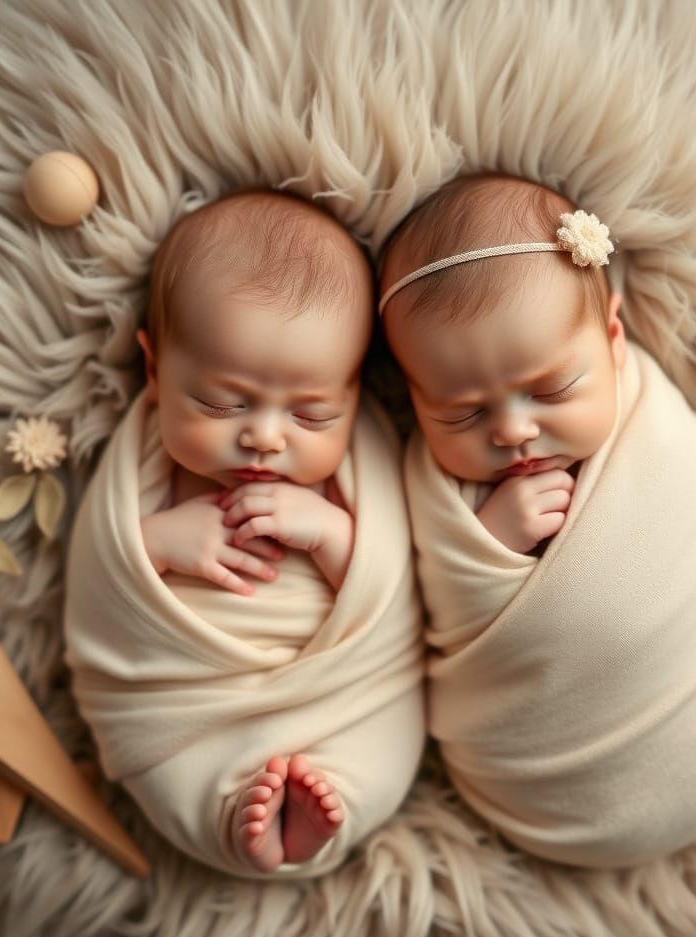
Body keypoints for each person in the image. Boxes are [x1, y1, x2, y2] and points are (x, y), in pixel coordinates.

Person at [378, 173, 696, 867]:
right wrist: (492, 544)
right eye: (462, 413)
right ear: (415, 400)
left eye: (551, 389)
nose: (512, 431)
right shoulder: (431, 484)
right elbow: (428, 594)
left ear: (614, 337)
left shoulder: (653, 420)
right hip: (547, 773)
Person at [64, 189, 426, 877]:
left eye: (313, 415)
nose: (264, 435)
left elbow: (395, 584)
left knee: (374, 755)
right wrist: (157, 544)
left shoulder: (351, 476)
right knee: (176, 775)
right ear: (154, 368)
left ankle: (327, 811)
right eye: (222, 403)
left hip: (342, 693)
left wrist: (330, 534)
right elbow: (96, 572)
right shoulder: (143, 466)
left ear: (353, 394)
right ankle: (238, 824)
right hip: (182, 700)